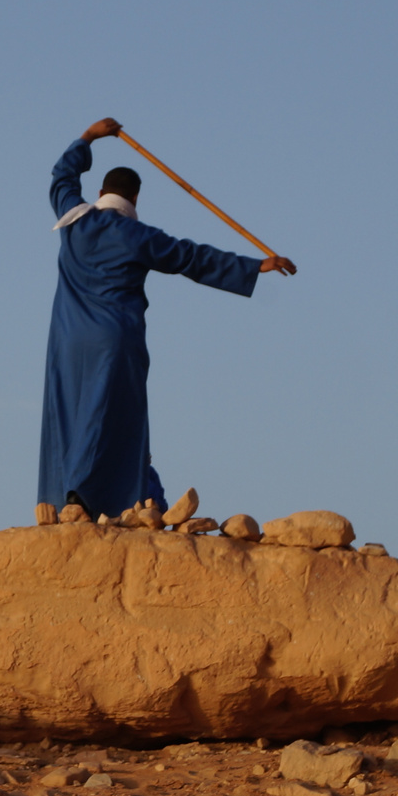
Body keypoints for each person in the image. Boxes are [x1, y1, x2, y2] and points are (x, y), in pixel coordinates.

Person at [38, 117, 295, 518]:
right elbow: (192, 258)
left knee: (69, 411)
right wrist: (253, 266)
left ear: (102, 193)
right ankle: (85, 496)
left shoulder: (73, 219)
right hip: (115, 340)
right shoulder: (138, 236)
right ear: (135, 198)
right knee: (109, 415)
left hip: (67, 339)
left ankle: (67, 497)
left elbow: (62, 176)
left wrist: (88, 137)